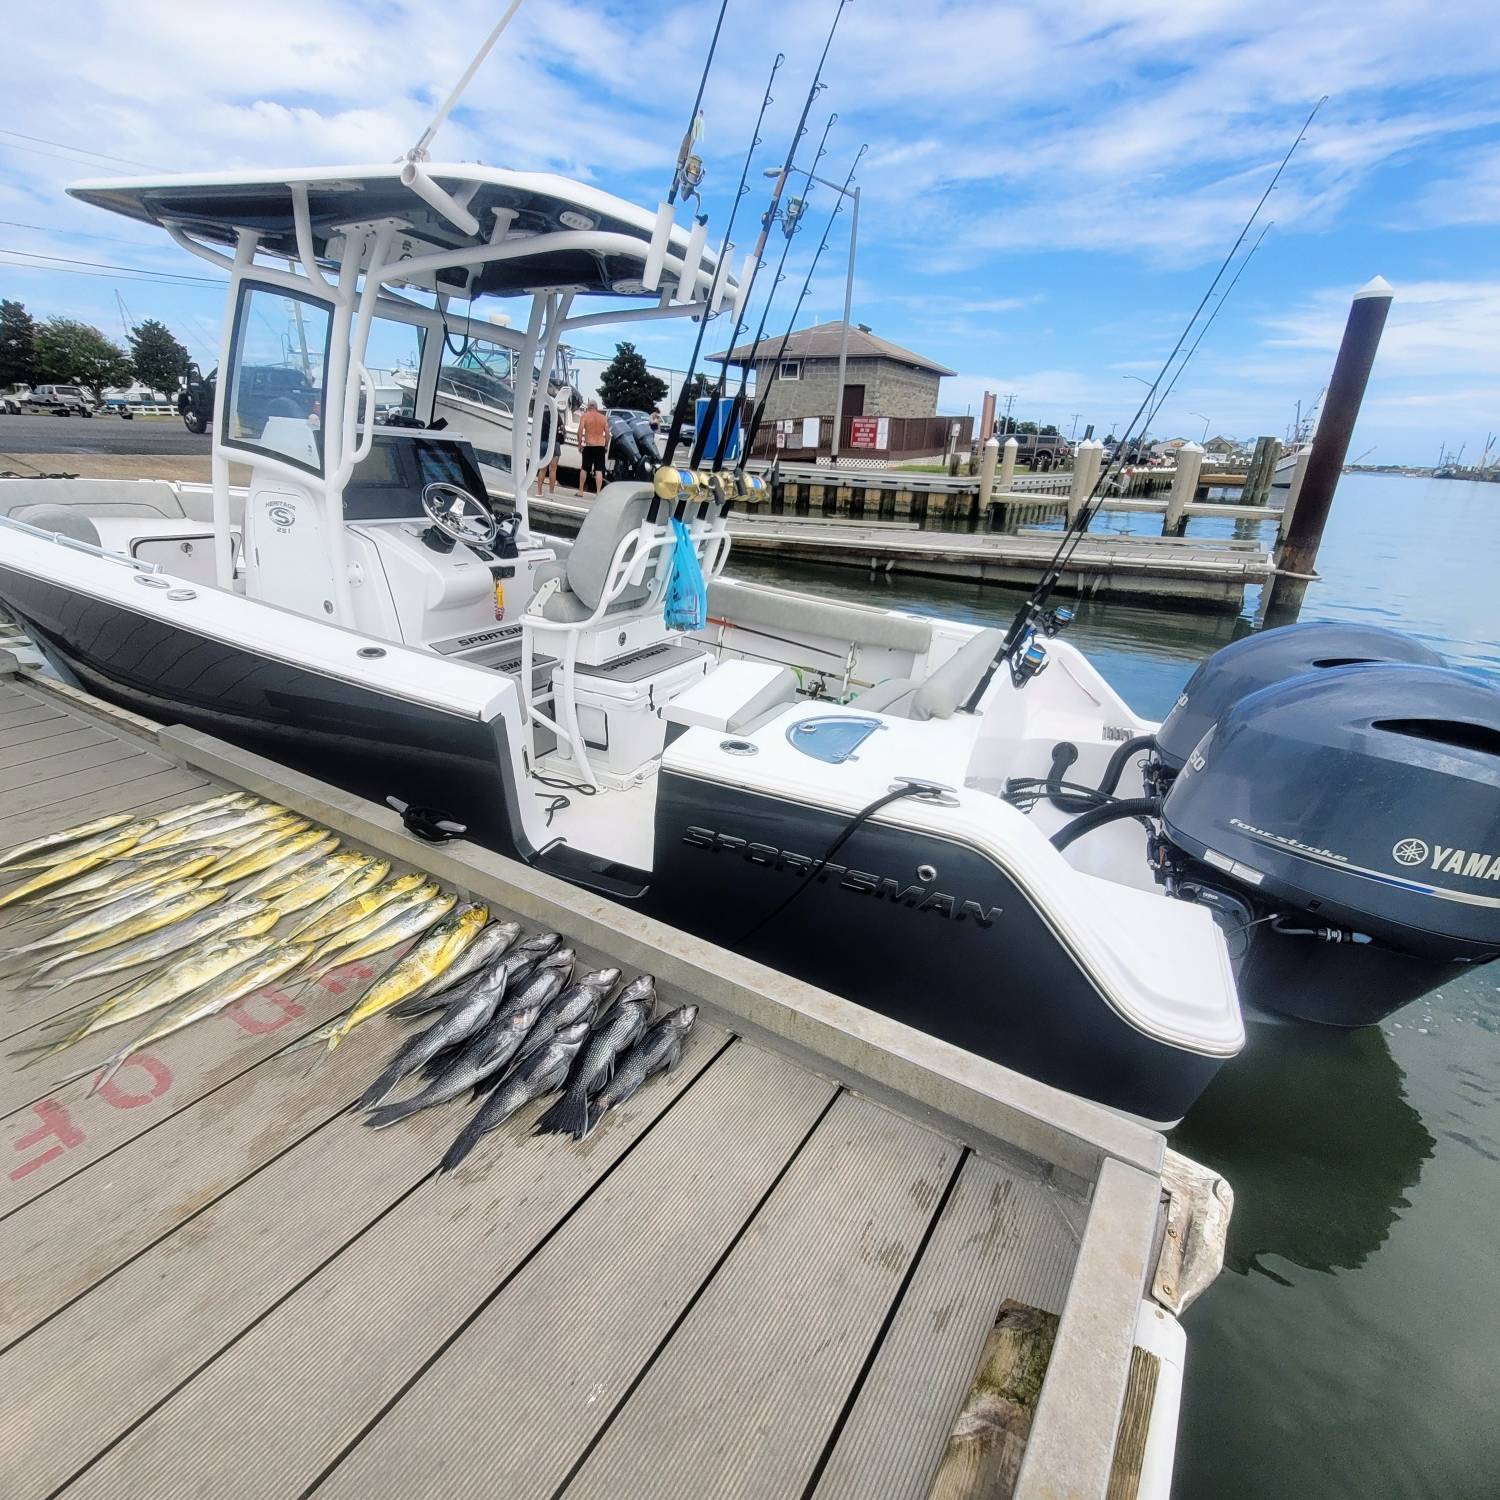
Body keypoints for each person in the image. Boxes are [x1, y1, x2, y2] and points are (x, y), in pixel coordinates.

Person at [576, 399, 609, 496]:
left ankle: (581, 491)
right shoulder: (603, 418)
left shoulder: (585, 416)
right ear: (596, 407)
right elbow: (607, 433)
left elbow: (580, 430)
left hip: (589, 446)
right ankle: (598, 492)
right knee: (599, 469)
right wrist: (606, 445)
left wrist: (579, 444)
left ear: (588, 407)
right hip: (600, 446)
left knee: (584, 468)